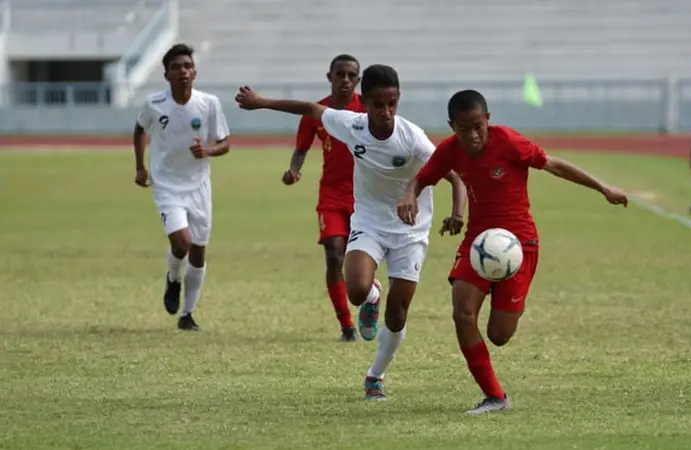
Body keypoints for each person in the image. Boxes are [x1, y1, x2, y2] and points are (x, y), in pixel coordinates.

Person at [235, 64, 467, 400]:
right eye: (378, 105)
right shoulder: (352, 125)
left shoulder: (412, 137)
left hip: (410, 231)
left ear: (398, 100)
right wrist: (261, 102)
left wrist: (457, 213)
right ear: (365, 104)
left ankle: (376, 375)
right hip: (369, 223)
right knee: (356, 290)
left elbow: (455, 175)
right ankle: (372, 295)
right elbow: (311, 109)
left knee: (398, 313)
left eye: (392, 104)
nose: (386, 112)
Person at [398, 90, 628, 414]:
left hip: (518, 244)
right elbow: (422, 179)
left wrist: (603, 188)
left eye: (479, 125)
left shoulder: (509, 141)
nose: (474, 135)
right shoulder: (449, 151)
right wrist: (410, 195)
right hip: (478, 241)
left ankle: (513, 302)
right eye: (465, 129)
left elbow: (555, 165)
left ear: (488, 119)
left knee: (499, 335)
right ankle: (495, 397)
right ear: (453, 127)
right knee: (462, 313)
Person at [133, 43, 231, 331]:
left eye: (187, 66)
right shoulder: (154, 104)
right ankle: (173, 279)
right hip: (166, 185)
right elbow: (140, 129)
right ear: (167, 74)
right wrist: (140, 166)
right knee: (182, 243)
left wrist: (208, 151)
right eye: (176, 67)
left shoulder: (209, 103)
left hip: (199, 187)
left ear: (195, 72)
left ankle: (187, 315)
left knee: (198, 252)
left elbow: (224, 143)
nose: (183, 71)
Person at [286, 54, 365, 342]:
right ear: (329, 77)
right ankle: (346, 325)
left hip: (365, 197)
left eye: (351, 75)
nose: (345, 80)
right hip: (331, 194)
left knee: (363, 261)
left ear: (358, 80)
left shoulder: (367, 108)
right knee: (334, 254)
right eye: (340, 74)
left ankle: (371, 299)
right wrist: (294, 170)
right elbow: (301, 150)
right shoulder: (316, 113)